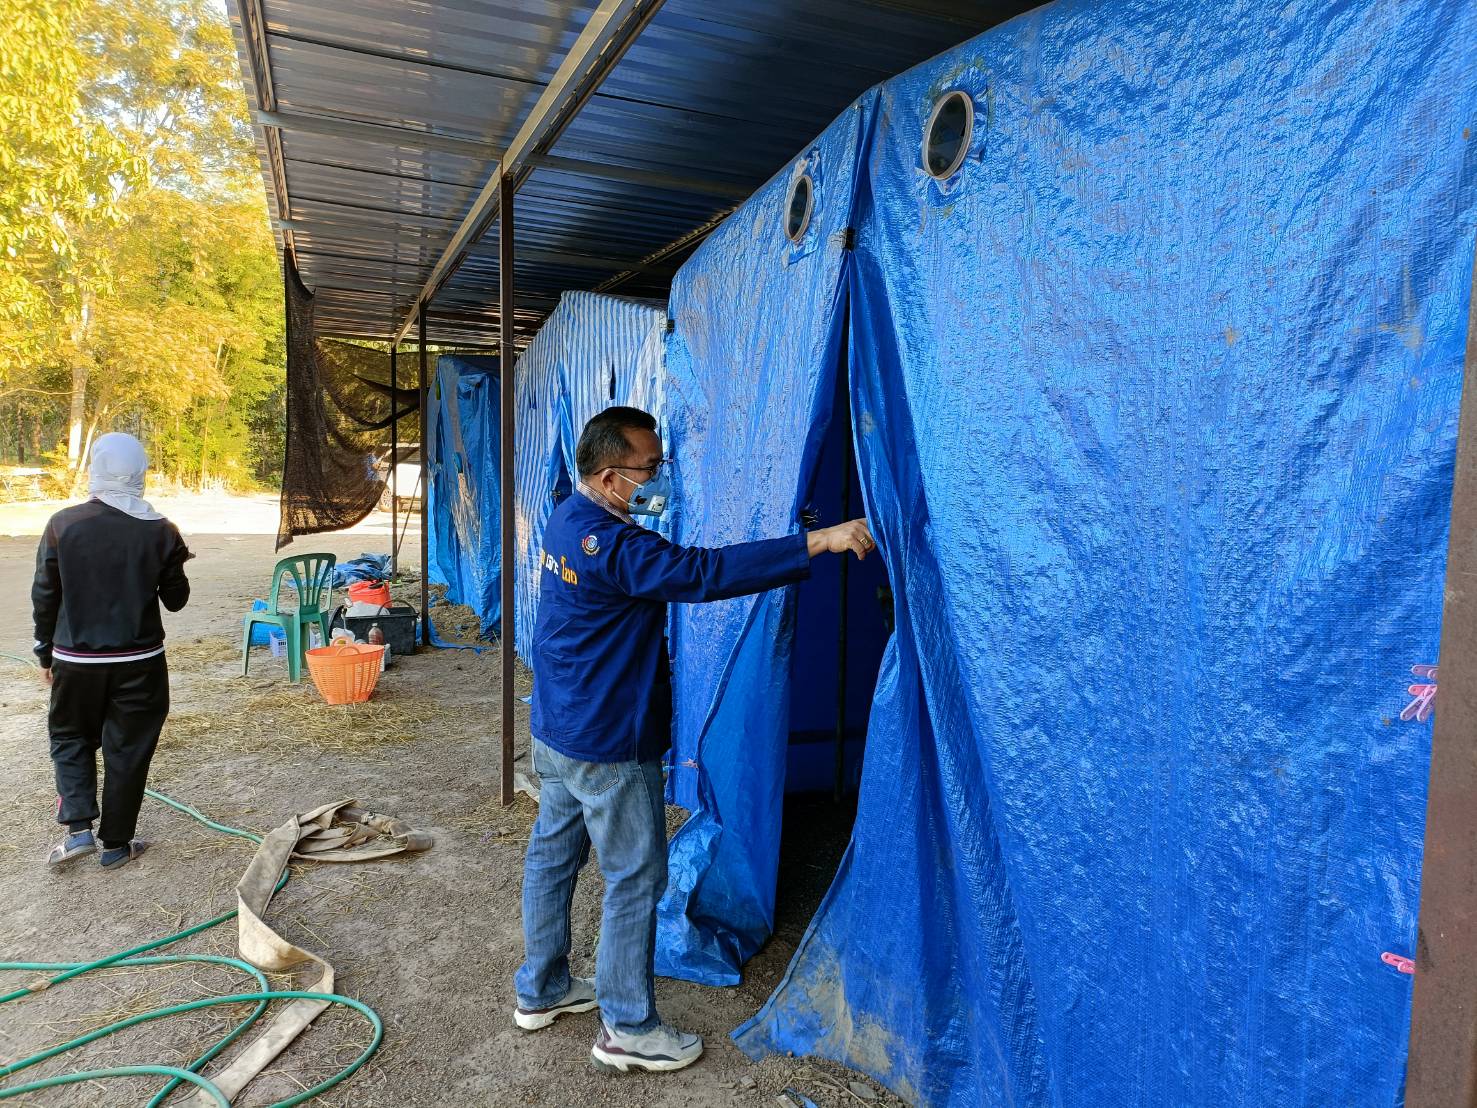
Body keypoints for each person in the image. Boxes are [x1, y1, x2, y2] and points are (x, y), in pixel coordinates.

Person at [513, 406, 875, 1073]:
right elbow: (702, 575)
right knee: (634, 877)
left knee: (553, 856)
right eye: (649, 469)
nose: (660, 479)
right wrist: (817, 543)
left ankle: (542, 988)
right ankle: (626, 1028)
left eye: (660, 464)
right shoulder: (619, 547)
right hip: (606, 739)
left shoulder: (569, 516)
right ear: (609, 474)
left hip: (558, 726)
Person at [32, 432, 192, 870]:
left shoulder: (63, 524)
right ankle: (117, 846)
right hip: (140, 662)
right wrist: (173, 561)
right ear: (139, 473)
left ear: (97, 469)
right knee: (129, 747)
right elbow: (176, 600)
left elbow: (45, 594)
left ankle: (79, 831)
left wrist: (45, 653)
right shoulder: (162, 530)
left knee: (69, 736)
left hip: (75, 661)